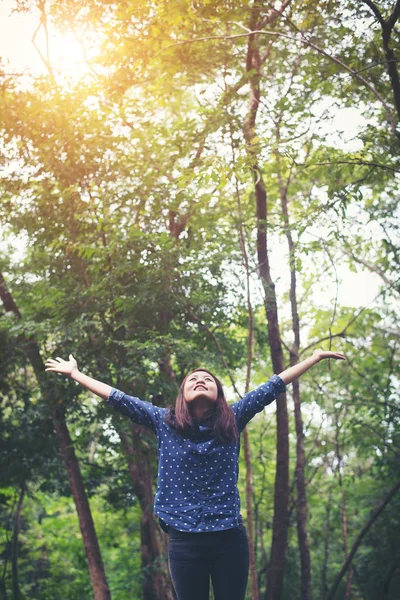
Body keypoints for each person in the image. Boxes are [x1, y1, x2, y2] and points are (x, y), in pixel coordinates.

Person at [45, 349, 345, 600]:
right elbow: (118, 398)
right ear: (182, 393)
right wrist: (75, 373)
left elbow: (274, 385)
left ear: (218, 394)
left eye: (207, 380)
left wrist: (315, 357)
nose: (200, 381)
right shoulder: (163, 421)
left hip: (229, 537)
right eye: (193, 379)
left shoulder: (234, 418)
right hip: (184, 539)